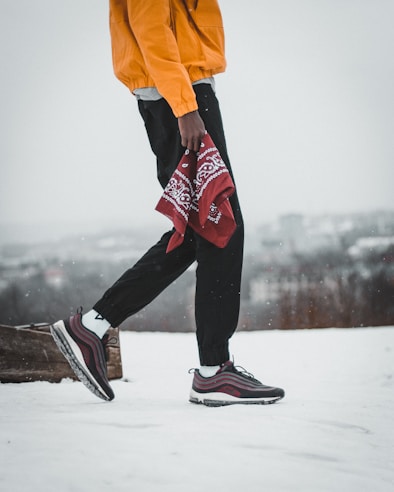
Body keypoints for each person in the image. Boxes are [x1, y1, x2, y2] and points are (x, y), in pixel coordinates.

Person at [50, 0, 285, 406]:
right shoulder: (183, 102)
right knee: (221, 224)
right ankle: (213, 371)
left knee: (202, 230)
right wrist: (186, 106)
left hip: (181, 94)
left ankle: (94, 325)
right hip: (181, 98)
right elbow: (152, 30)